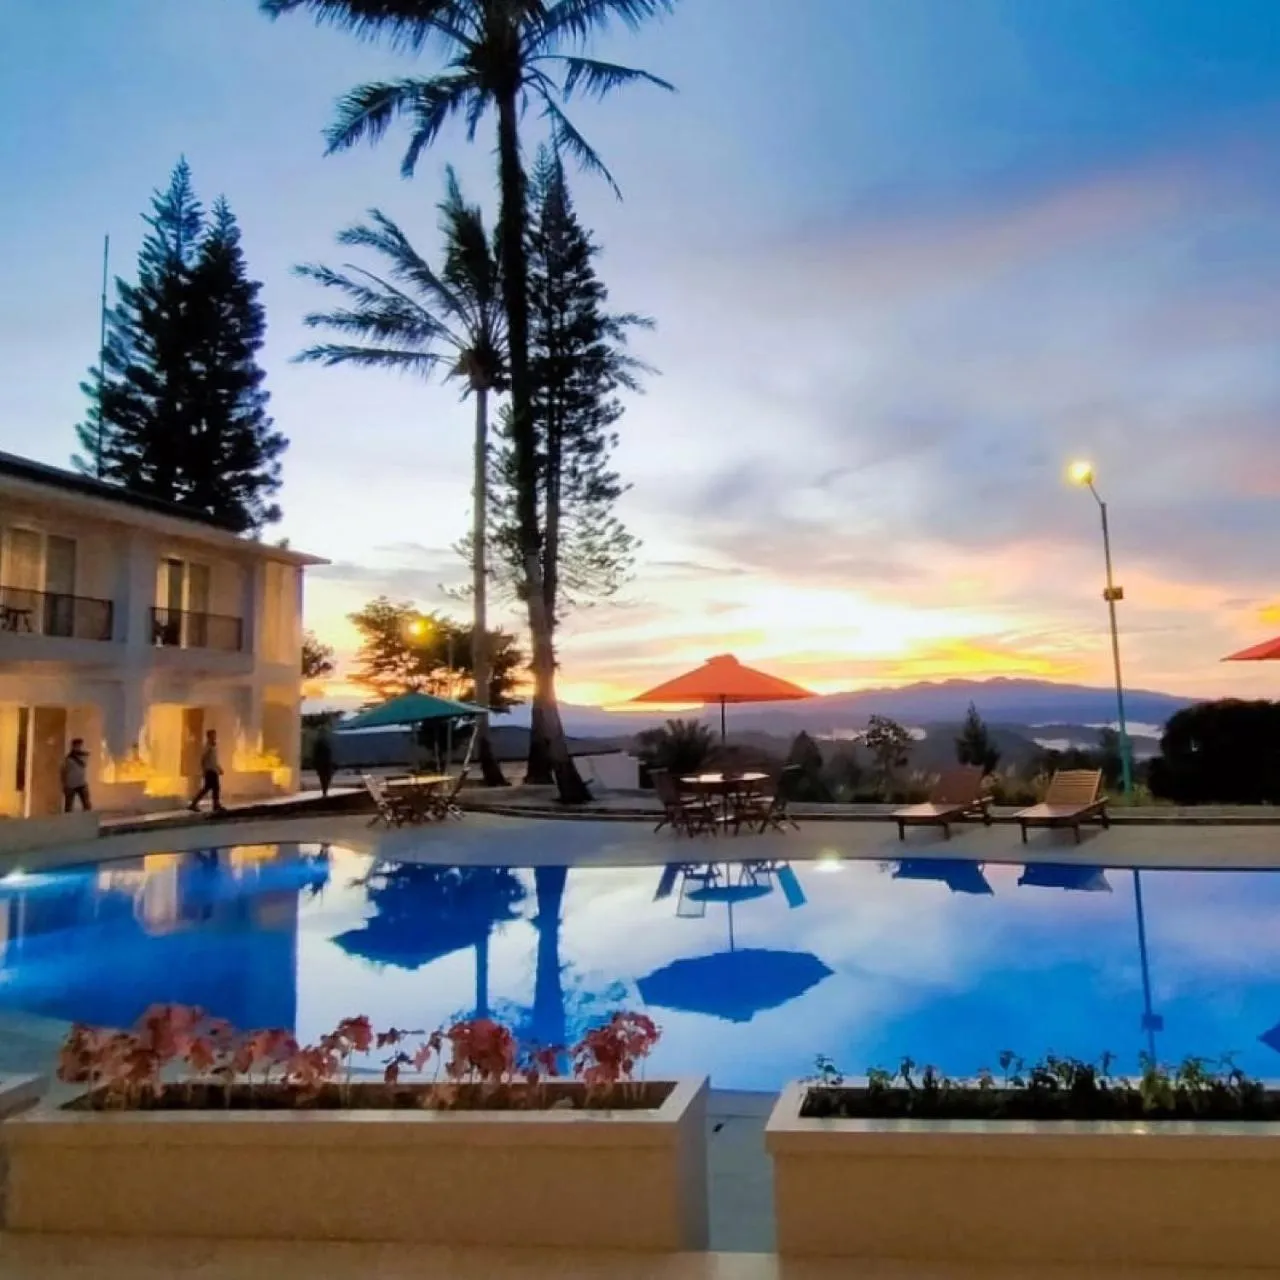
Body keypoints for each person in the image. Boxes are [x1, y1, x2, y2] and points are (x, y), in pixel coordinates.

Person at [189, 729, 225, 814]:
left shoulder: (213, 746)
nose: (214, 736)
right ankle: (215, 805)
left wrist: (219, 768)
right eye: (213, 735)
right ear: (209, 736)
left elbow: (214, 760)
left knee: (208, 788)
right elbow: (203, 758)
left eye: (215, 735)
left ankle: (194, 804)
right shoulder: (208, 746)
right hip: (210, 771)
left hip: (213, 770)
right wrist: (204, 769)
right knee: (215, 788)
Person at [60, 738, 91, 812]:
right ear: (73, 746)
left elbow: (84, 762)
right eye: (77, 746)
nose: (78, 747)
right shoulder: (68, 758)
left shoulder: (83, 756)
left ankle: (87, 817)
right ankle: (68, 819)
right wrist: (64, 784)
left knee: (87, 805)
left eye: (79, 746)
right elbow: (63, 772)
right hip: (70, 785)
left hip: (81, 783)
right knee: (68, 807)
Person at [313, 729, 335, 799]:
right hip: (325, 762)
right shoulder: (326, 742)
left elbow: (315, 754)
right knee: (326, 777)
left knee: (323, 778)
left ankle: (324, 791)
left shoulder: (319, 742)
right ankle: (325, 791)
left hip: (323, 763)